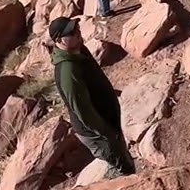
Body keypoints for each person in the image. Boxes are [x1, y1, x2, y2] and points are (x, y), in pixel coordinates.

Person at [47, 17, 136, 178]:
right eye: (72, 32)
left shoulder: (79, 49)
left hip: (106, 121)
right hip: (98, 133)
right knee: (124, 168)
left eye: (77, 28)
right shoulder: (68, 72)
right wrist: (109, 135)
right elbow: (85, 113)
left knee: (122, 156)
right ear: (59, 40)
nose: (78, 33)